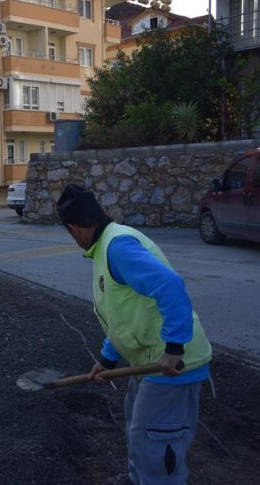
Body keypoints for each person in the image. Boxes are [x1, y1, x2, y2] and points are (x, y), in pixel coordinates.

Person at [56, 184, 211, 485]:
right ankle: (138, 479)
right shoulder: (106, 247)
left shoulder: (118, 247)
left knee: (156, 440)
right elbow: (123, 315)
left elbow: (170, 286)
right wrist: (107, 359)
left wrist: (175, 348)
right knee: (138, 430)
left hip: (173, 365)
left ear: (74, 228)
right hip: (151, 358)